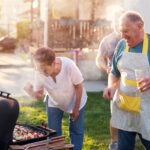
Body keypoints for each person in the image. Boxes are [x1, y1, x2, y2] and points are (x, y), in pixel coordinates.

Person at [24, 47, 87, 150]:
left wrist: (76, 109)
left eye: (44, 69)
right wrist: (31, 92)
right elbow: (39, 95)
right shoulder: (39, 72)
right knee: (53, 134)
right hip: (54, 101)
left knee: (76, 131)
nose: (41, 72)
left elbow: (79, 86)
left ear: (54, 63)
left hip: (75, 99)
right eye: (38, 68)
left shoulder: (69, 65)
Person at [103, 11, 150, 150]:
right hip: (125, 110)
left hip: (147, 112)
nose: (122, 36)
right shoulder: (122, 45)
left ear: (140, 26)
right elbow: (114, 73)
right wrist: (111, 86)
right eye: (120, 31)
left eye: (125, 31)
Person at [96, 9, 124, 150]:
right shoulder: (107, 40)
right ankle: (115, 142)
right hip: (114, 80)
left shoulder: (132, 37)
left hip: (133, 80)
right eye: (115, 21)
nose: (116, 24)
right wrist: (106, 69)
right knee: (116, 112)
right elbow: (99, 59)